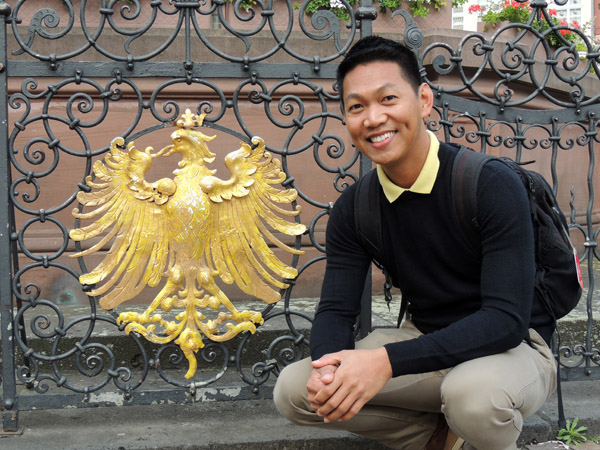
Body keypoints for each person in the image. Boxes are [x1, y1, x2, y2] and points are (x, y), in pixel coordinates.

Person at [273, 35, 557, 450]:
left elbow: (505, 320)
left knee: (473, 399)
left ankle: (471, 429)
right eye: (357, 107)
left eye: (388, 98)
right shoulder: (357, 208)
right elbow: (335, 309)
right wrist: (328, 368)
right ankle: (440, 440)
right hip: (424, 338)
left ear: (424, 100)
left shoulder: (490, 183)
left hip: (513, 349)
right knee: (297, 391)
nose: (373, 118)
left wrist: (386, 363)